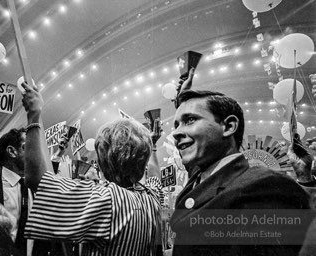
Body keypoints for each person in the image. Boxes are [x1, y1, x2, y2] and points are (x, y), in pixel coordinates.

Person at [21, 82, 162, 256]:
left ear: (104, 161)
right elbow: (156, 177)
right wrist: (153, 146)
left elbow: (37, 181)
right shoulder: (152, 198)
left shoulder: (106, 200)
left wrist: (33, 117)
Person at [170, 89, 313, 256]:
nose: (175, 133)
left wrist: (304, 177)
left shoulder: (263, 188)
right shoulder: (199, 177)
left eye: (190, 120)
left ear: (229, 126)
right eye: (176, 124)